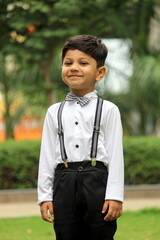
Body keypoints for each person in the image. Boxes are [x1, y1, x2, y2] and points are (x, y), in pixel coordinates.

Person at [38, 35, 124, 240]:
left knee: (100, 234)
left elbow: (115, 155)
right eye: (68, 63)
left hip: (96, 179)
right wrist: (44, 196)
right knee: (65, 233)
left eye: (83, 63)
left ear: (100, 73)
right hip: (64, 181)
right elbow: (47, 156)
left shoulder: (108, 109)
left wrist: (115, 195)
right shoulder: (54, 112)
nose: (74, 67)